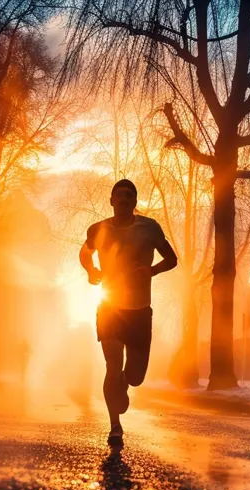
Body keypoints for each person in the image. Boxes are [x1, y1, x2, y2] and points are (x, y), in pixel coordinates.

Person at [79, 179, 177, 447]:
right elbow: (84, 253)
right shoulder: (98, 229)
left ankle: (125, 381)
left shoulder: (149, 228)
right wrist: (91, 271)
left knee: (135, 376)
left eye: (128, 196)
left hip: (139, 312)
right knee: (112, 365)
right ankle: (114, 427)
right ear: (111, 201)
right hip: (110, 306)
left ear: (135, 203)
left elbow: (172, 259)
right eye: (118, 195)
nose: (123, 200)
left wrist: (152, 270)